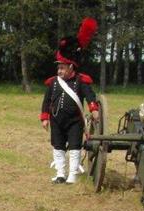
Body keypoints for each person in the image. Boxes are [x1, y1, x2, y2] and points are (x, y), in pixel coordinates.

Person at [40, 17, 100, 184]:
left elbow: (89, 95)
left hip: (74, 121)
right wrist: (45, 118)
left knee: (74, 147)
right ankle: (60, 173)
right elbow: (46, 101)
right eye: (58, 67)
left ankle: (72, 174)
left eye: (62, 67)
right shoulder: (53, 82)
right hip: (56, 120)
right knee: (58, 147)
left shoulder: (81, 81)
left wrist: (94, 108)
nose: (59, 70)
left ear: (71, 67)